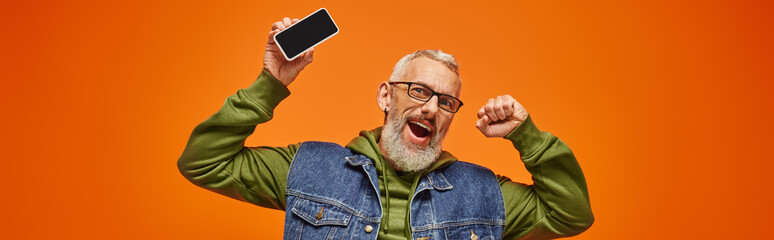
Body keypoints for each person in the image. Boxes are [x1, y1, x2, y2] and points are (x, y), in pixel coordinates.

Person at [178, 17, 594, 240]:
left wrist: (528, 136)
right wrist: (271, 83)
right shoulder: (307, 168)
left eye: (446, 102)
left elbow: (570, 214)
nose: (431, 108)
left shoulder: (484, 193)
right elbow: (203, 162)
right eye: (418, 91)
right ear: (385, 96)